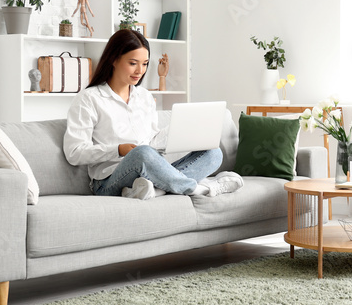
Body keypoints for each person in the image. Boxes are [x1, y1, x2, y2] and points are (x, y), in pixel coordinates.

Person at [63, 29, 242, 199]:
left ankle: (155, 189)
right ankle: (198, 189)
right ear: (114, 60)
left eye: (145, 64)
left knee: (213, 152)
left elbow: (151, 141)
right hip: (108, 182)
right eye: (133, 63)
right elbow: (74, 153)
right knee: (143, 154)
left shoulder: (145, 97)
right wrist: (118, 150)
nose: (140, 71)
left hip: (147, 173)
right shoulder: (89, 99)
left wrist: (178, 133)